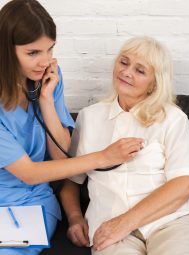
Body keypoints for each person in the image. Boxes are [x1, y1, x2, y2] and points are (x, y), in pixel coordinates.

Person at [0, 1, 143, 255]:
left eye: (50, 49)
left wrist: (46, 101)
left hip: (31, 203)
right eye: (33, 53)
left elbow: (61, 155)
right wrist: (102, 157)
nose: (45, 61)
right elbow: (29, 172)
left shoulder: (48, 78)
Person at [60, 36, 189, 255]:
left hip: (173, 221)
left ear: (154, 84)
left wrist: (124, 223)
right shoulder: (89, 118)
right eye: (124, 62)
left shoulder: (173, 118)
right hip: (107, 227)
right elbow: (71, 181)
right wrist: (75, 218)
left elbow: (183, 186)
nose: (127, 72)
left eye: (140, 70)